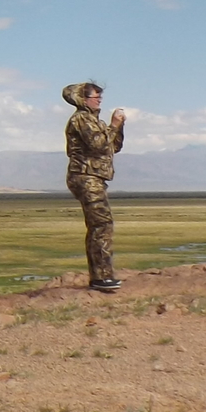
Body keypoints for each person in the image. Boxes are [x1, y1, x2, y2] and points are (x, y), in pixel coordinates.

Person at [62, 82, 125, 293]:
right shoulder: (81, 119)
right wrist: (114, 125)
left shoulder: (93, 121)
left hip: (94, 177)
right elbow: (98, 145)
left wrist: (119, 126)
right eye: (95, 97)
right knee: (102, 224)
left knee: (99, 225)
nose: (99, 101)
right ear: (83, 99)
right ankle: (102, 277)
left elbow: (112, 147)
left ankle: (100, 275)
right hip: (86, 176)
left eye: (99, 97)